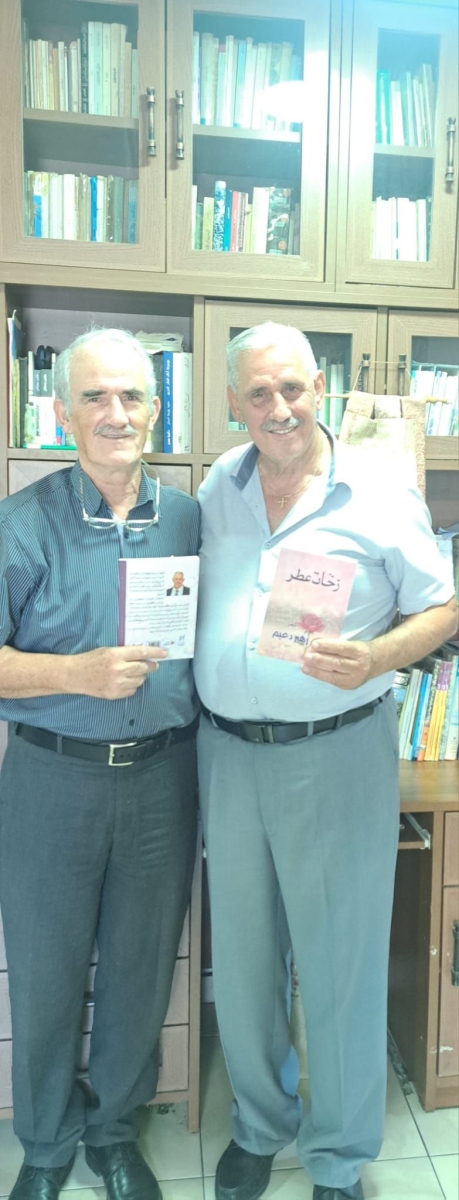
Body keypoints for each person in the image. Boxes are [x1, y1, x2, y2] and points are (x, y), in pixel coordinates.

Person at [193, 321, 457, 1200]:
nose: (278, 408)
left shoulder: (378, 494)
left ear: (319, 389)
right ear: (232, 403)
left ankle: (339, 1156)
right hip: (227, 756)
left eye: (292, 388)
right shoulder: (217, 485)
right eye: (258, 393)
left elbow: (441, 607)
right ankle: (260, 1127)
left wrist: (379, 656)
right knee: (244, 957)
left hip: (336, 754)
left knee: (339, 958)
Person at [0, 328, 200, 1200]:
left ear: (156, 409)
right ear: (63, 412)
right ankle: (46, 1147)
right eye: (94, 397)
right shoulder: (19, 524)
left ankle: (113, 1135)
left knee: (138, 968)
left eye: (132, 396)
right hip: (51, 781)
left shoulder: (189, 519)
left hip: (163, 778)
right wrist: (74, 673)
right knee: (45, 973)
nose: (116, 414)